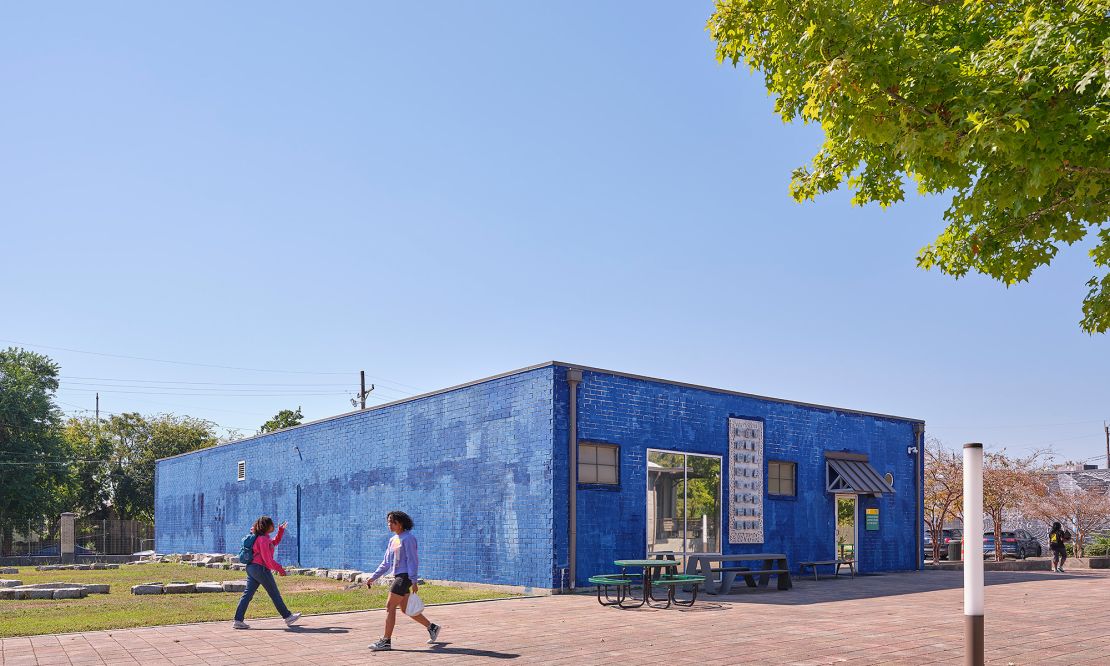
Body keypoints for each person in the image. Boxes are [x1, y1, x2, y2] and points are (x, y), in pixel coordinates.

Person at [366, 511, 441, 651]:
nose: (389, 524)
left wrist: (414, 580)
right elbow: (386, 563)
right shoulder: (393, 540)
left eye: (393, 522)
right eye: (388, 521)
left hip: (405, 577)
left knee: (390, 606)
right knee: (406, 609)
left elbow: (413, 560)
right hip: (398, 576)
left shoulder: (408, 538)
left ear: (401, 523)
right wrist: (373, 577)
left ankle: (386, 641)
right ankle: (432, 627)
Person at [232, 516, 301, 629]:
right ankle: (287, 617)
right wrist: (280, 569)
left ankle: (238, 620)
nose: (273, 526)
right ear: (267, 526)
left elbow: (274, 543)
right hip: (260, 569)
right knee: (274, 593)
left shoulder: (263, 538)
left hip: (252, 568)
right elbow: (267, 560)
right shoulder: (263, 540)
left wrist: (281, 531)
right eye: (271, 524)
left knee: (247, 594)